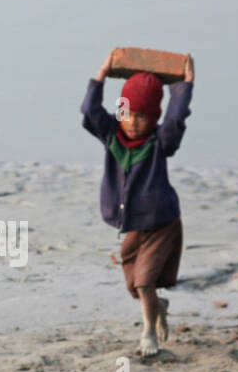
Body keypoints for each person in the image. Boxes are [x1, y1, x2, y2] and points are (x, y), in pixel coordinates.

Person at [81, 51, 194, 356]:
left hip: (161, 224)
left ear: (152, 118)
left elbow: (175, 119)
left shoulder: (159, 143)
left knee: (145, 282)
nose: (133, 122)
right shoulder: (112, 136)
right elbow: (91, 111)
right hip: (133, 224)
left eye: (142, 116)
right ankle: (159, 306)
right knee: (134, 283)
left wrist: (185, 84)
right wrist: (102, 72)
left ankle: (148, 335)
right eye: (128, 114)